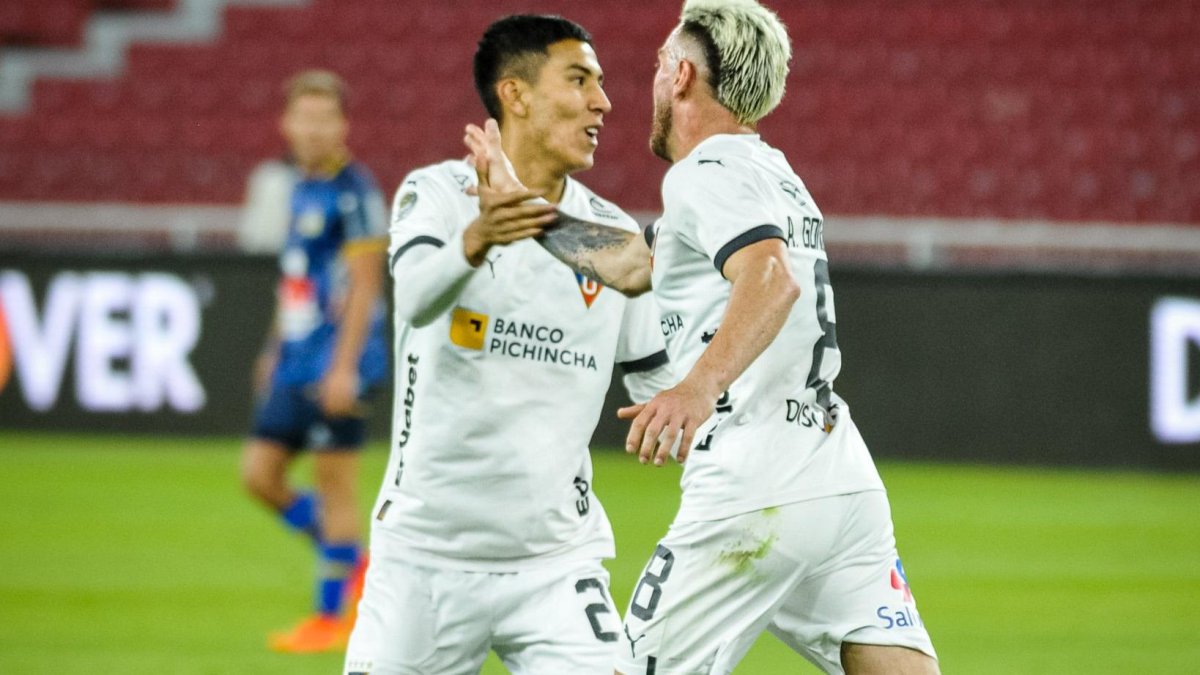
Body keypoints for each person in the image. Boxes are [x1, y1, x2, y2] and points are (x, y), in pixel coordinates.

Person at [465, 1, 940, 672]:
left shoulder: (705, 172)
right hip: (837, 476)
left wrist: (695, 388)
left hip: (755, 484)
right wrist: (528, 214)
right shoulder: (773, 175)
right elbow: (637, 266)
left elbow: (770, 278)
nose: (651, 79)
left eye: (660, 63)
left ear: (683, 74)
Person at [342, 14, 672, 675]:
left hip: (556, 563)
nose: (603, 102)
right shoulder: (436, 194)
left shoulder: (607, 231)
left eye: (601, 84)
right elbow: (414, 294)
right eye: (579, 80)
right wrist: (478, 236)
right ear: (515, 94)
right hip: (423, 560)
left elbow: (654, 379)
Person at [239, 69, 389, 654]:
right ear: (285, 123)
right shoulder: (300, 185)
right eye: (303, 115)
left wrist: (344, 367)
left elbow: (365, 285)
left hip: (339, 365)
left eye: (325, 116)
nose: (313, 127)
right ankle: (355, 563)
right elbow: (299, 281)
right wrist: (274, 347)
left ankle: (333, 618)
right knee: (259, 475)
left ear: (343, 125)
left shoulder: (356, 191)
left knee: (336, 489)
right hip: (297, 360)